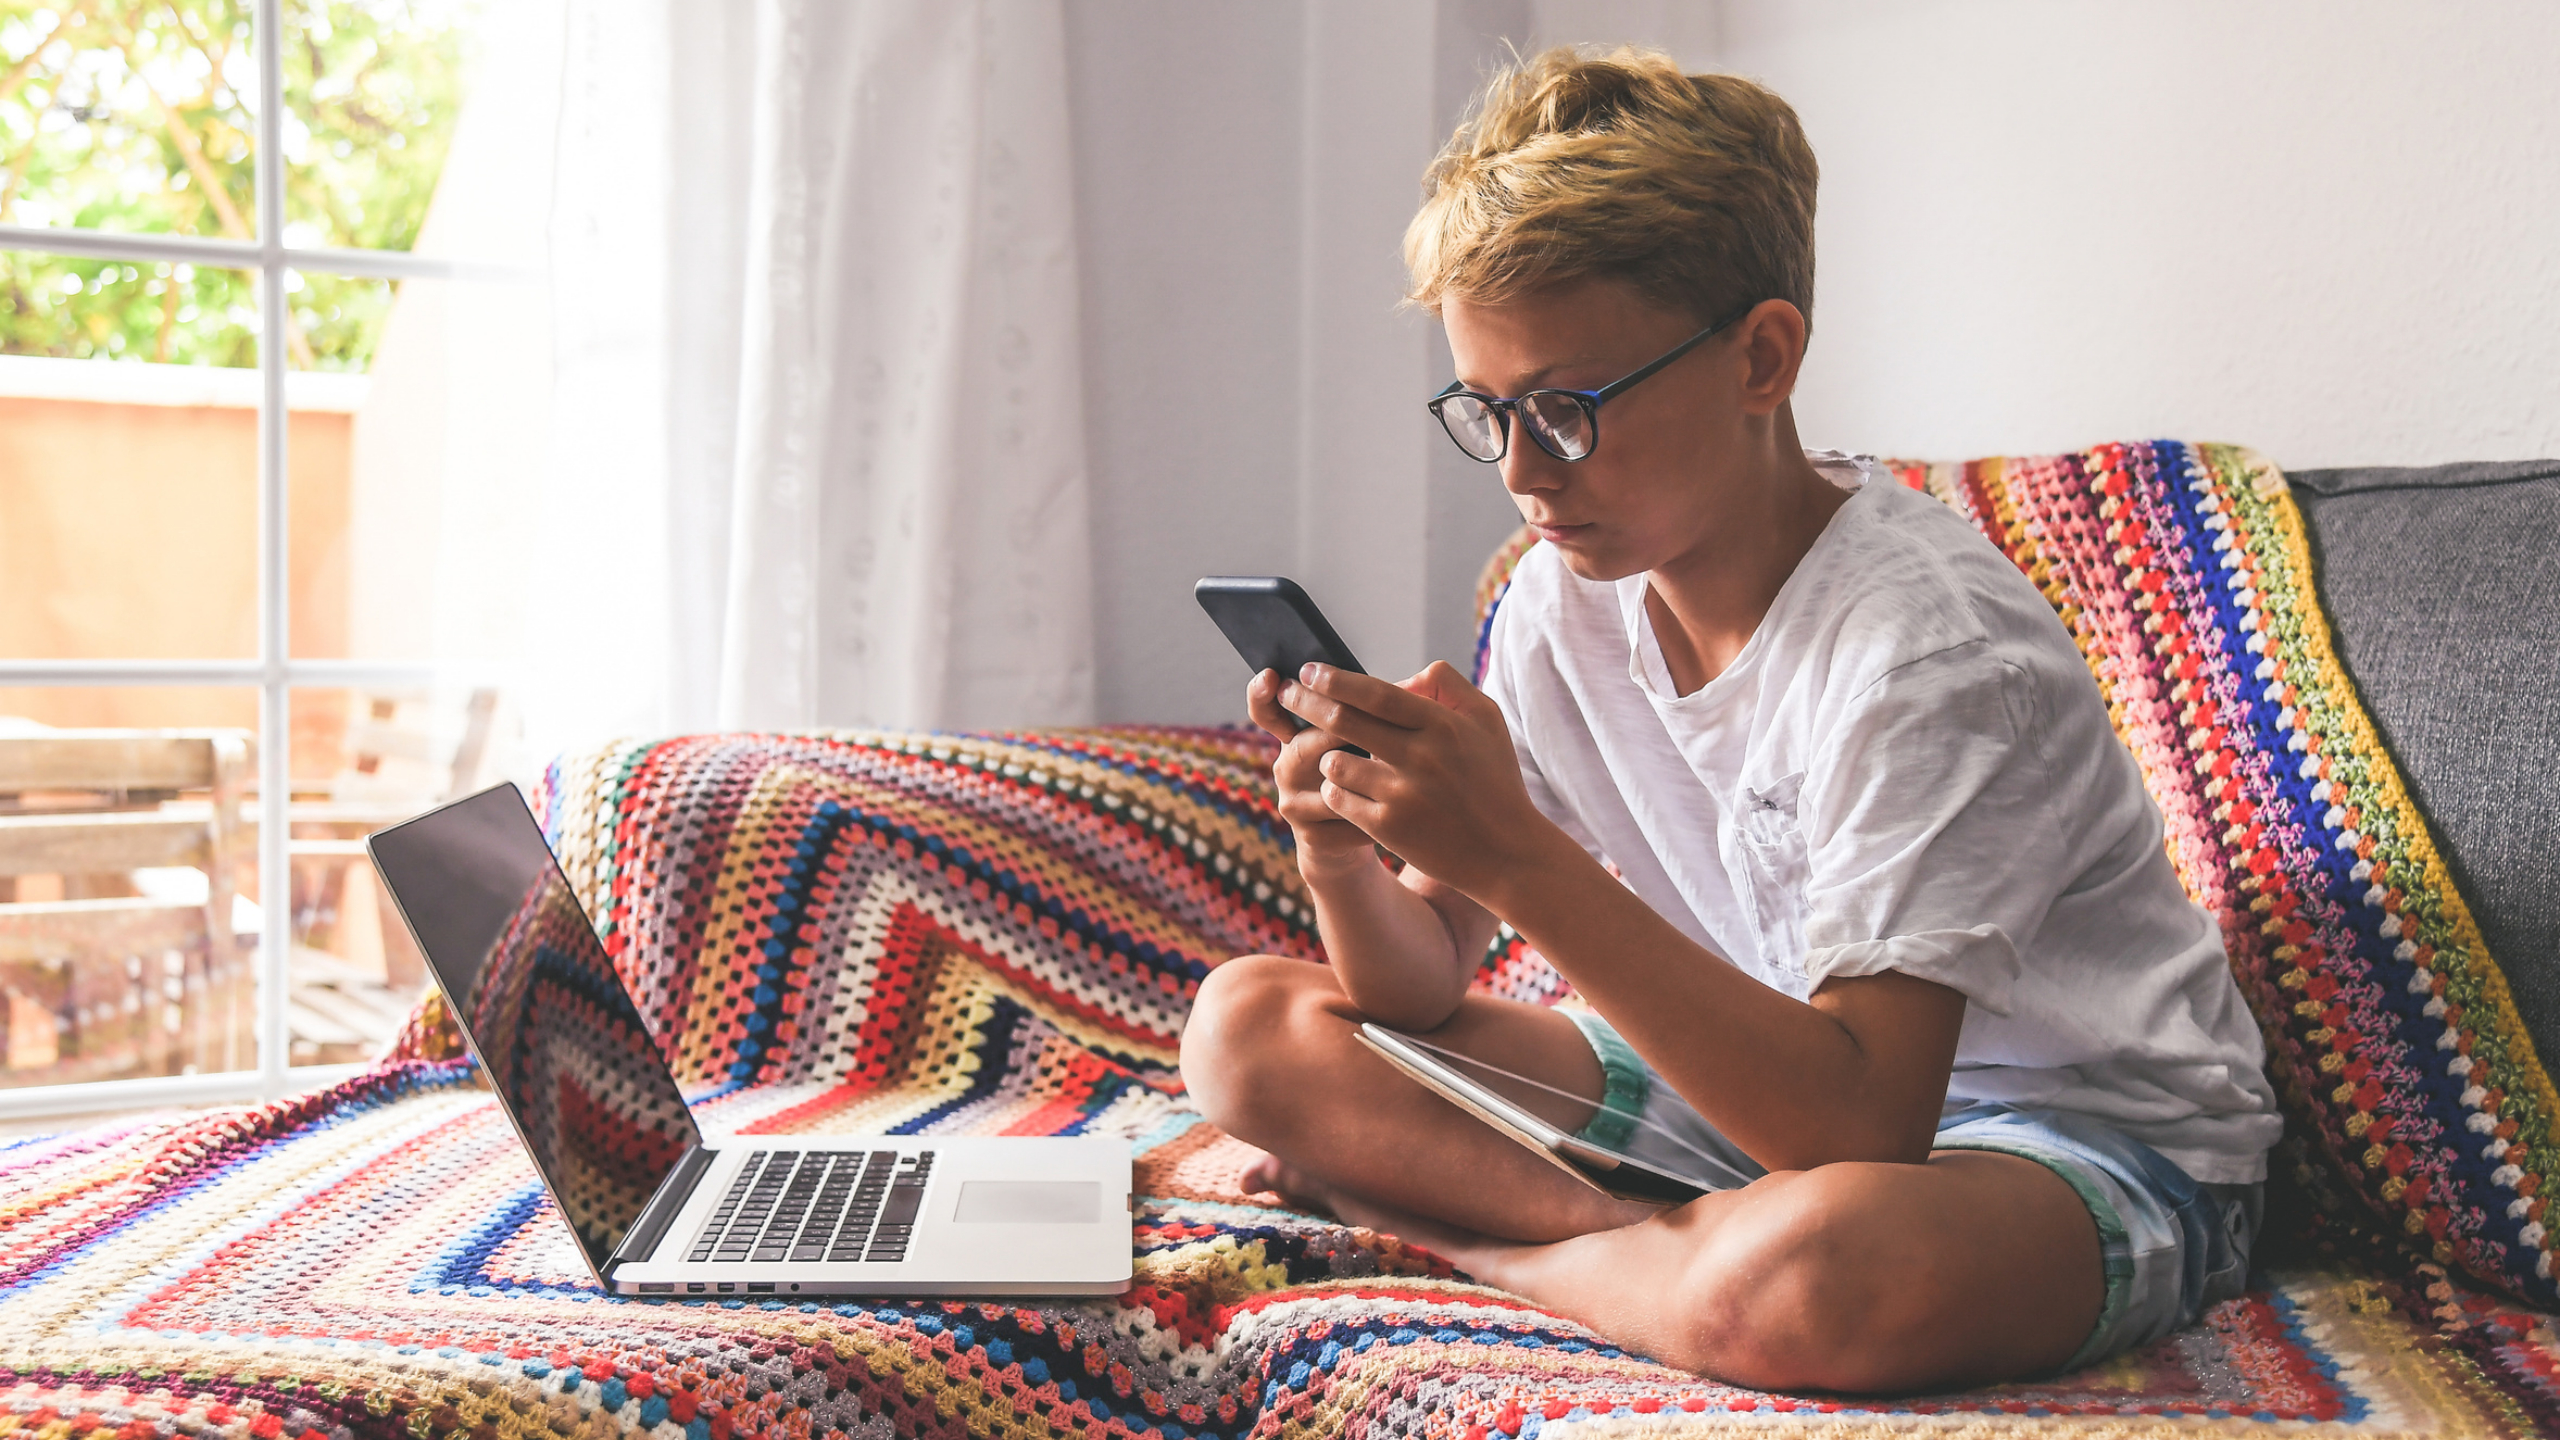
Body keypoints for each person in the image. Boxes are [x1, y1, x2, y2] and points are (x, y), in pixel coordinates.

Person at [1178, 45, 2280, 1394]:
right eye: (1490, 411)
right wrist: (1344, 847)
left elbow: (1865, 1123)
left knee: (1807, 1274)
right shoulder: (1558, 601)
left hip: (2065, 1149)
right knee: (1246, 1028)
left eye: (1569, 410)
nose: (1523, 472)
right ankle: (1667, 1260)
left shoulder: (1926, 654)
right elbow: (1416, 989)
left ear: (1761, 356)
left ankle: (1471, 1250)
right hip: (1758, 1106)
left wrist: (1521, 855)